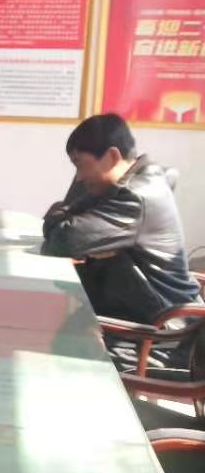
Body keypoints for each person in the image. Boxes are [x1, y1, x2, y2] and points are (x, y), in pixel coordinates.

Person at [41, 113, 200, 323]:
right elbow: (63, 223)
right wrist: (62, 217)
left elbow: (64, 241)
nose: (79, 177)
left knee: (45, 318)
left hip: (159, 325)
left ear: (112, 156)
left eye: (80, 165)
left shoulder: (135, 196)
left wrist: (60, 216)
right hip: (141, 304)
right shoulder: (132, 182)